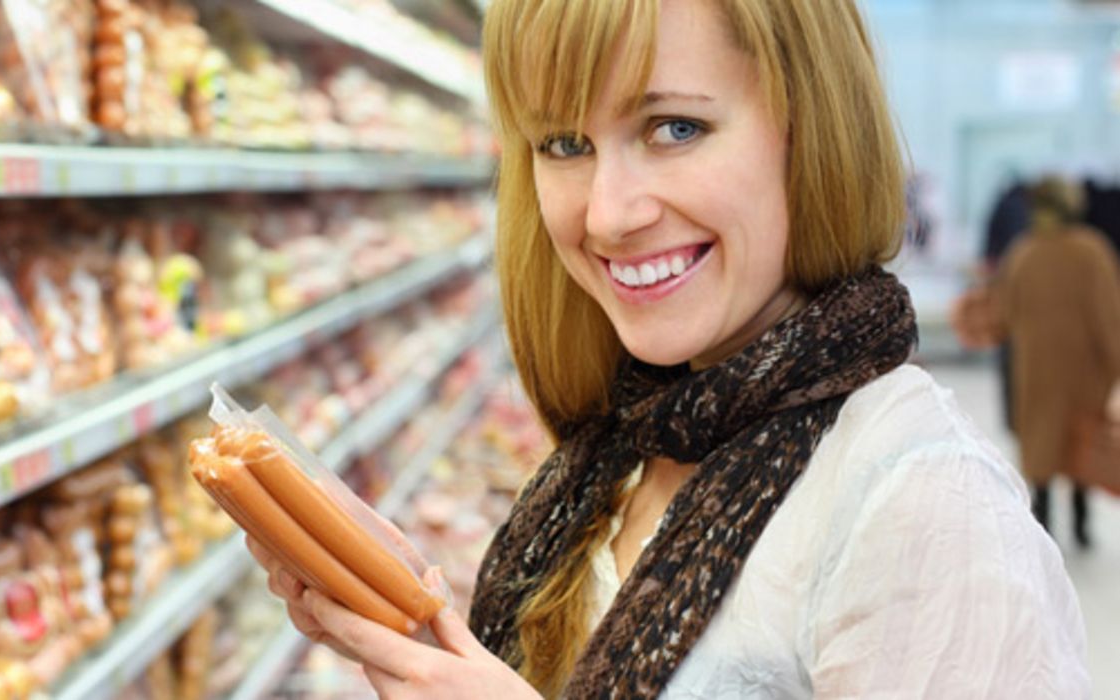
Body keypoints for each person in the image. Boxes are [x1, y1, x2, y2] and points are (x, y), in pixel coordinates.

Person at [247, 0, 1090, 697]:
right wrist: (421, 628)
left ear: (809, 129)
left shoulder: (921, 503)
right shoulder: (631, 443)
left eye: (674, 127)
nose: (608, 215)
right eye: (564, 145)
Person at [995, 176, 1120, 549]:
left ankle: (1043, 524)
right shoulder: (1092, 251)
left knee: (1041, 446)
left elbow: (1004, 315)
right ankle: (1082, 524)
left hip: (1036, 370)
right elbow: (1109, 316)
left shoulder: (1022, 253)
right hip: (1083, 371)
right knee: (1078, 442)